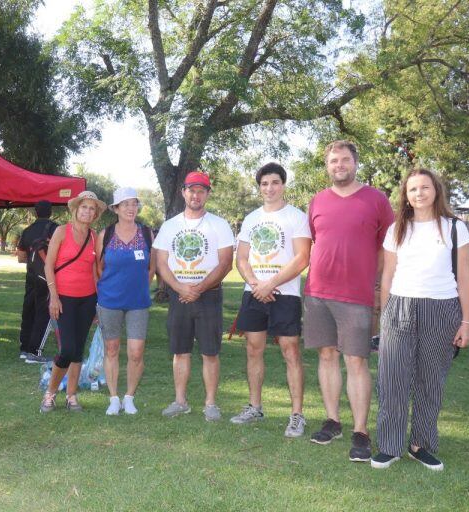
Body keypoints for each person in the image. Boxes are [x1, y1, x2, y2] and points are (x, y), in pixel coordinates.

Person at [371, 169, 469, 471]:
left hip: (442, 309)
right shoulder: (397, 229)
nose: (419, 193)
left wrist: (466, 322)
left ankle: (421, 445)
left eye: (425, 187)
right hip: (399, 308)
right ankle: (390, 446)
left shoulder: (455, 228)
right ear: (406, 195)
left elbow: (465, 277)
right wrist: (385, 315)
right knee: (393, 380)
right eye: (413, 189)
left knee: (431, 382)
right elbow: (387, 275)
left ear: (436, 191)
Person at [303, 140, 394, 462]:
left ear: (355, 162)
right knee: (326, 356)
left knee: (356, 360)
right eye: (333, 161)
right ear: (327, 166)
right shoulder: (317, 201)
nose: (338, 165)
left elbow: (388, 247)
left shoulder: (376, 200)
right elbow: (316, 243)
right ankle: (333, 420)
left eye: (344, 160)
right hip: (317, 293)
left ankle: (360, 430)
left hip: (356, 295)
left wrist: (375, 282)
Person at [230, 163, 311, 437]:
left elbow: (302, 257)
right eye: (264, 184)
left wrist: (271, 284)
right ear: (259, 187)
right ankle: (255, 407)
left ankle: (297, 415)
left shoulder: (296, 217)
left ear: (283, 185)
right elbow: (241, 258)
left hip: (284, 294)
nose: (270, 188)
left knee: (291, 351)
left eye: (275, 182)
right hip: (253, 293)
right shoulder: (251, 218)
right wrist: (255, 284)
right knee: (253, 349)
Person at [153, 171, 234, 421]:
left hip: (209, 296)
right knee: (180, 351)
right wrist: (179, 288)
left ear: (207, 194)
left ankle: (210, 403)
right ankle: (180, 401)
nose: (196, 195)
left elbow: (225, 263)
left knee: (210, 352)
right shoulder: (170, 225)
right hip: (179, 297)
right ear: (183, 192)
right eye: (191, 190)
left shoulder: (219, 224)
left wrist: (197, 288)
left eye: (201, 190)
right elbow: (161, 262)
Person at [40, 191, 106, 413]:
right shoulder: (61, 232)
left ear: (95, 214)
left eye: (92, 209)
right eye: (84, 207)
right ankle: (50, 393)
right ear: (76, 209)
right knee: (67, 348)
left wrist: (98, 302)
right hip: (63, 298)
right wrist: (54, 296)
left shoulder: (95, 237)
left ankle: (72, 395)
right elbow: (48, 265)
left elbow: (96, 271)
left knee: (78, 349)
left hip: (87, 299)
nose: (87, 211)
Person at [96, 187, 155, 416]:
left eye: (134, 203)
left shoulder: (147, 233)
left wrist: (139, 285)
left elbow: (152, 268)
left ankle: (129, 397)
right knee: (111, 349)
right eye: (126, 204)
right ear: (116, 209)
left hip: (138, 302)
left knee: (136, 351)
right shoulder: (106, 234)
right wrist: (110, 288)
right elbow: (99, 268)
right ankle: (113, 398)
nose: (131, 208)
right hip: (109, 301)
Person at [16, 200, 58, 363]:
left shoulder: (27, 231)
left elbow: (21, 257)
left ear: (35, 212)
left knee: (29, 310)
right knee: (44, 313)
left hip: (31, 276)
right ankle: (34, 352)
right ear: (51, 212)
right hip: (48, 278)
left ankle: (24, 348)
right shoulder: (56, 229)